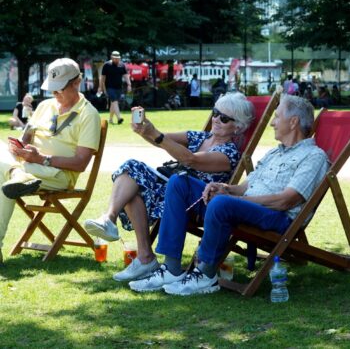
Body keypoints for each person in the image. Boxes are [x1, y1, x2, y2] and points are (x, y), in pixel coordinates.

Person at [128, 94, 330, 295]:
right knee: (180, 182)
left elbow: (286, 200)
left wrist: (233, 199)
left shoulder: (313, 157)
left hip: (276, 216)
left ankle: (206, 275)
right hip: (246, 205)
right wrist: (223, 188)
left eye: (277, 117)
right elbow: (243, 187)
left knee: (221, 203)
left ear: (293, 122)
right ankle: (171, 269)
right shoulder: (274, 154)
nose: (273, 123)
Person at [84, 92, 255, 282]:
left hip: (193, 200)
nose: (216, 119)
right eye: (215, 113)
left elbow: (190, 159)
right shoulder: (200, 137)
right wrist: (144, 129)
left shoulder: (229, 153)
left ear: (237, 127)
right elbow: (162, 139)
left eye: (224, 118)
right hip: (172, 189)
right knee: (131, 173)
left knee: (134, 181)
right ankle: (111, 220)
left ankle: (144, 257)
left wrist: (154, 135)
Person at [0, 58, 101, 264]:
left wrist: (41, 159)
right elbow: (26, 135)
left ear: (76, 82)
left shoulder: (89, 114)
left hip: (58, 175)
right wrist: (19, 146)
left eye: (59, 89)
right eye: (52, 89)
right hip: (29, 166)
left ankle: (16, 174)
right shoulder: (45, 106)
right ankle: (16, 174)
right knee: (7, 172)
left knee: (3, 180)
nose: (54, 94)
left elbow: (81, 163)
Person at [98, 51, 132, 124]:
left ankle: (110, 119)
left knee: (113, 103)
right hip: (109, 87)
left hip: (119, 87)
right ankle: (119, 118)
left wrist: (129, 84)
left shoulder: (122, 65)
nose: (117, 60)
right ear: (112, 58)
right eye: (115, 58)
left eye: (118, 58)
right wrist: (100, 87)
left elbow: (126, 75)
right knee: (115, 101)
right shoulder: (106, 65)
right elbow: (102, 77)